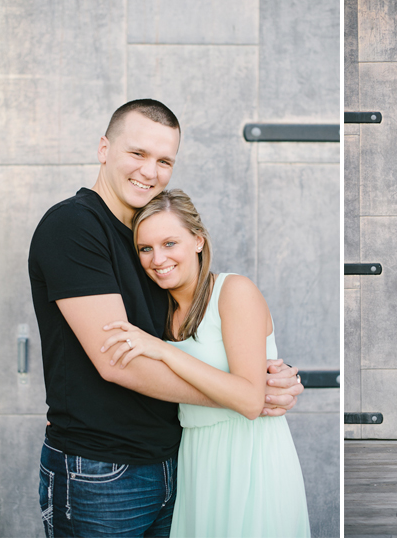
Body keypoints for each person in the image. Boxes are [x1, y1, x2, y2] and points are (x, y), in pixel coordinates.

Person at [29, 99, 303, 537]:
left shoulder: (149, 236)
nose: (149, 171)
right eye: (137, 154)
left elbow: (200, 338)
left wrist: (269, 376)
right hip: (103, 469)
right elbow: (118, 360)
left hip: (177, 462)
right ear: (104, 149)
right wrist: (248, 397)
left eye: (164, 160)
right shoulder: (74, 226)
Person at [101, 189, 311, 537]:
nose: (158, 258)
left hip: (250, 460)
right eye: (146, 248)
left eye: (170, 243)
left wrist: (165, 351)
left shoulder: (233, 292)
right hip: (196, 460)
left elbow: (248, 400)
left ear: (198, 240)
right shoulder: (157, 311)